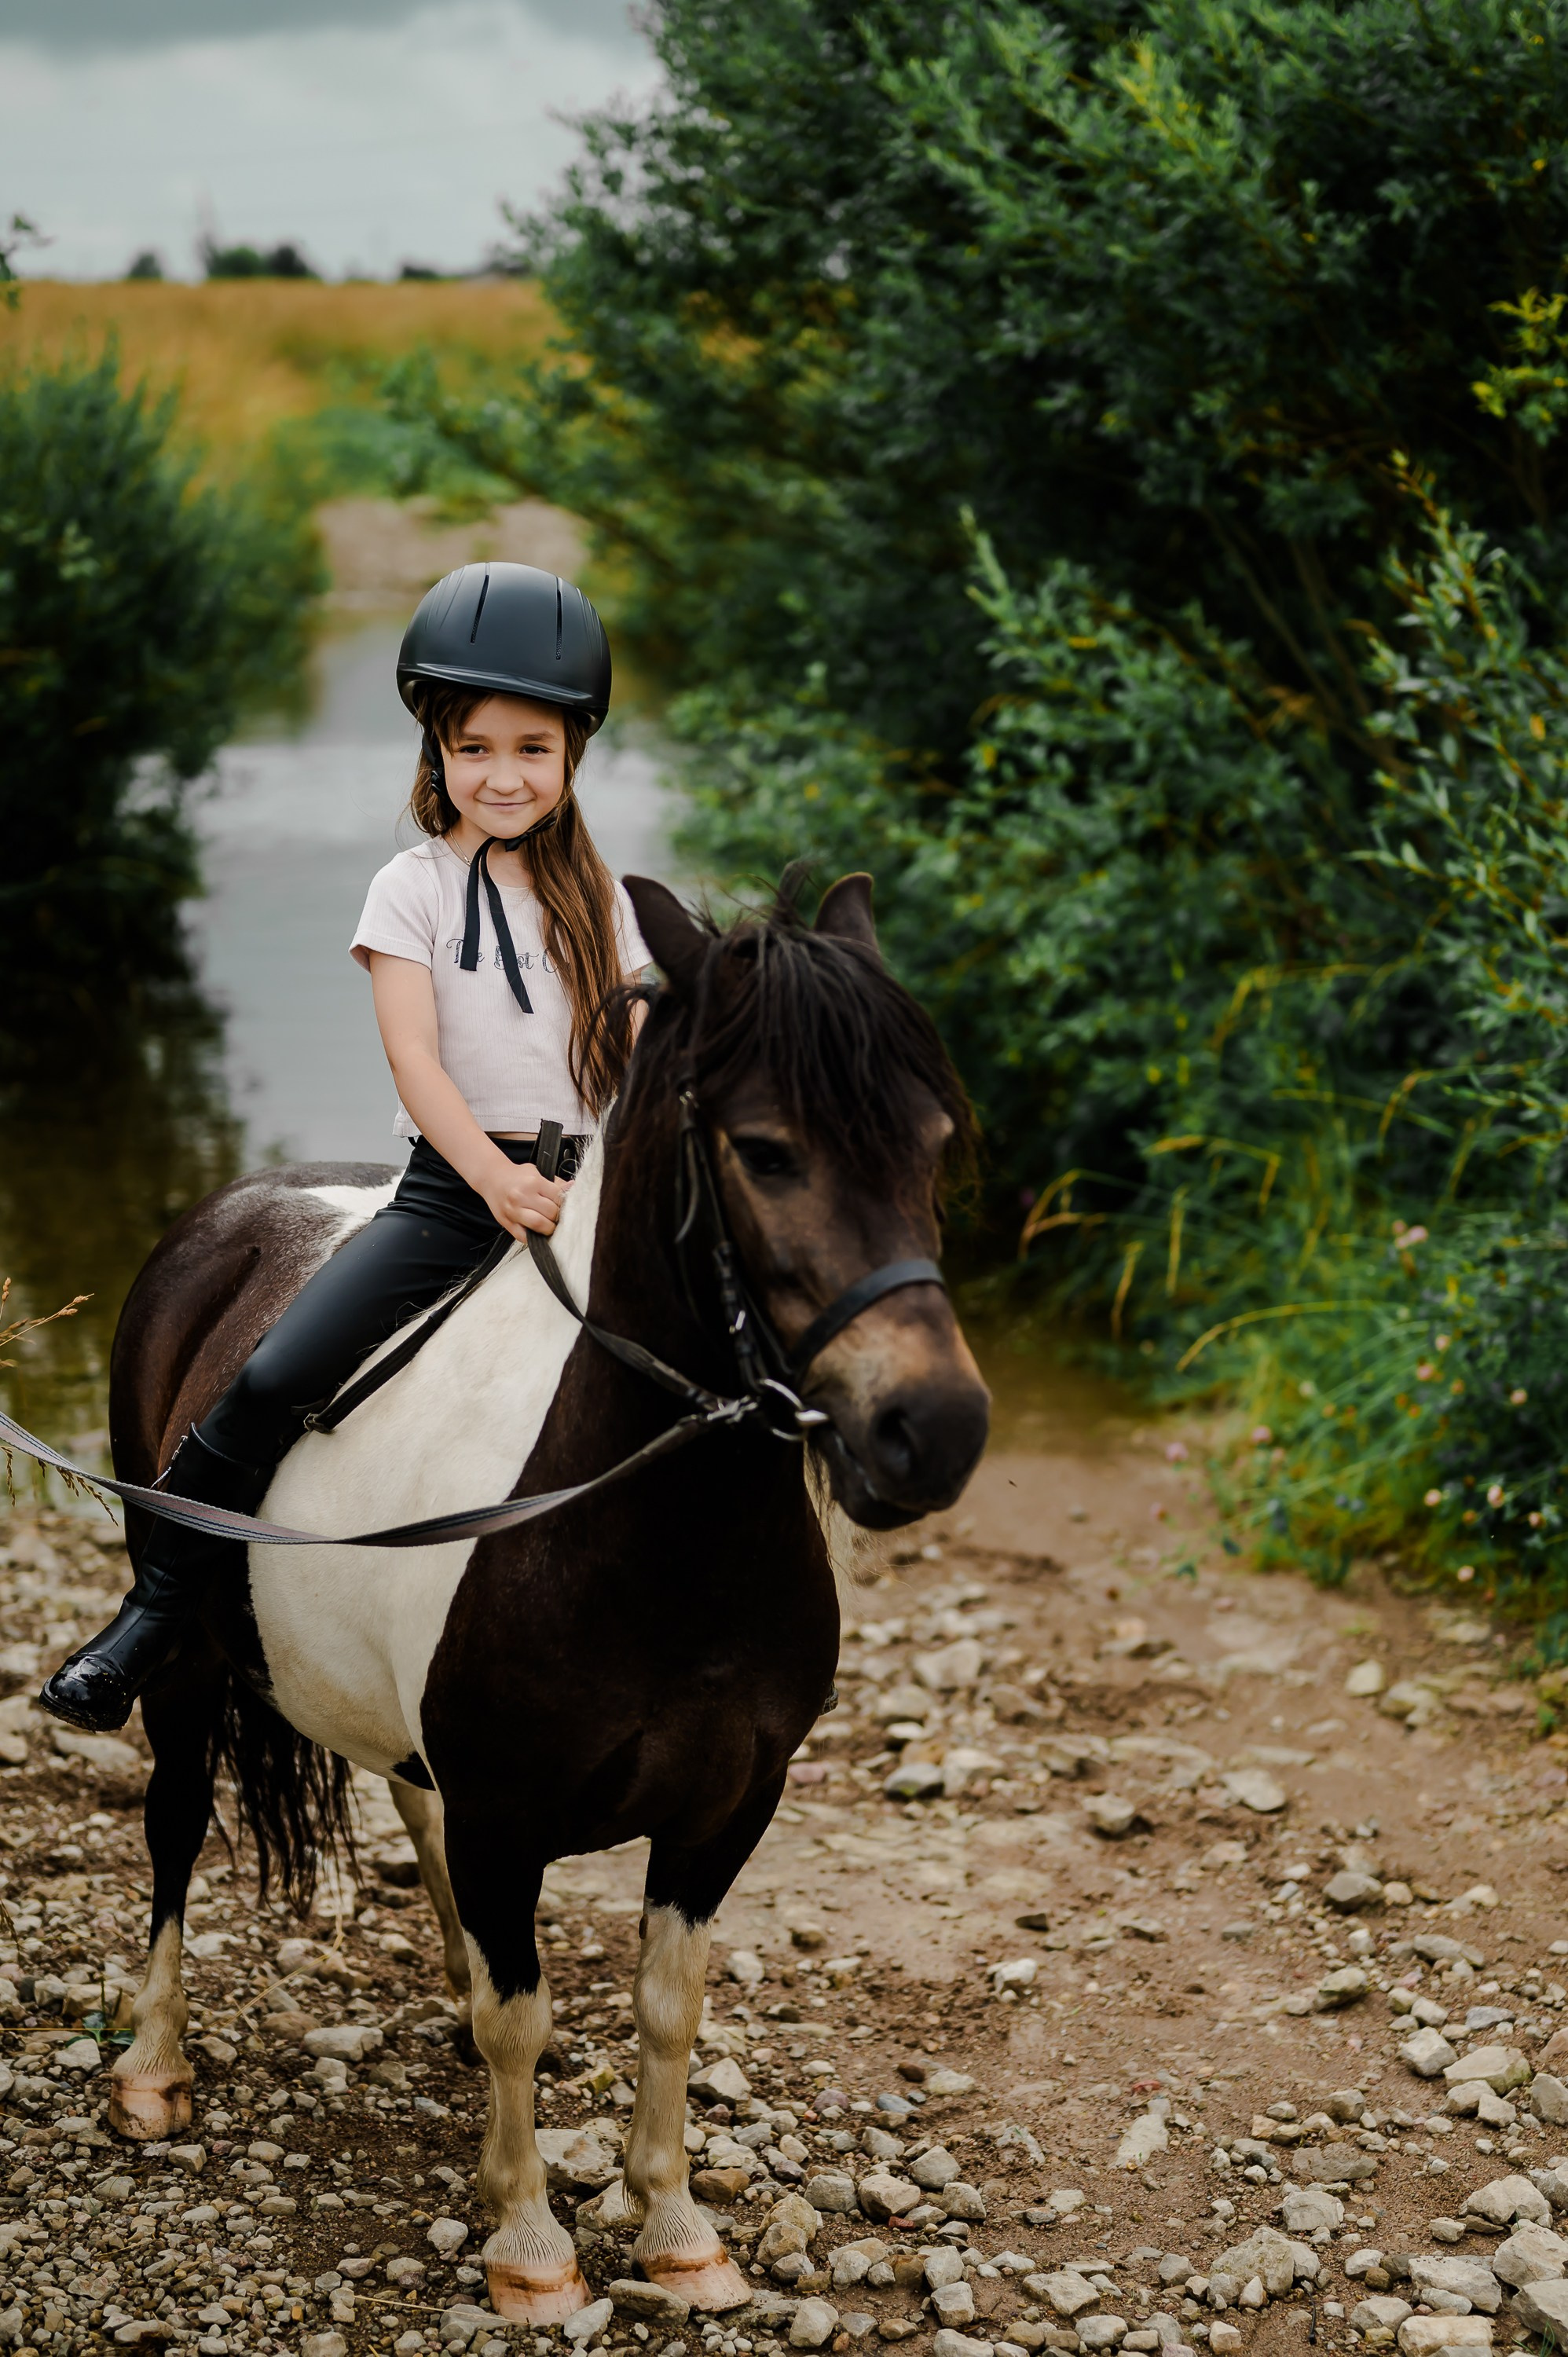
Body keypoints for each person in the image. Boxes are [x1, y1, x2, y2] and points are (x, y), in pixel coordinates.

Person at [41, 563, 649, 1734]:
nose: (502, 775)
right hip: (452, 1198)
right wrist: (494, 1180)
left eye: (532, 748)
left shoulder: (606, 902)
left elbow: (629, 1058)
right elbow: (419, 1066)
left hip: (583, 1198)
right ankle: (155, 1613)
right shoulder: (408, 889)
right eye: (474, 749)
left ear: (573, 754)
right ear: (436, 753)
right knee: (272, 1374)